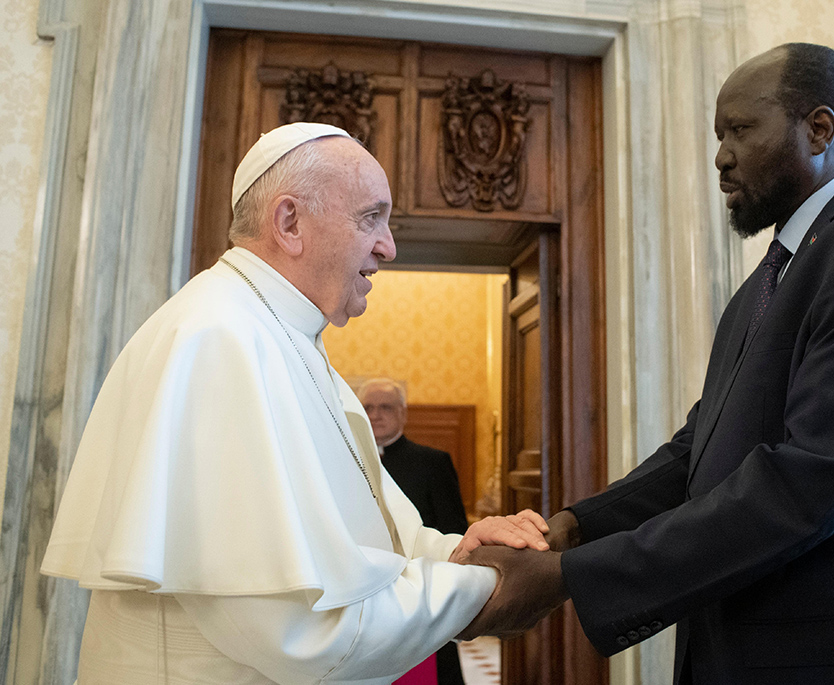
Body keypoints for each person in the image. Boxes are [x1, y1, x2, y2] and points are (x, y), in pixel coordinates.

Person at [459, 43, 834, 684]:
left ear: (819, 129)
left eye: (740, 130)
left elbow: (812, 479)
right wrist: (573, 529)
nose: (720, 156)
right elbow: (701, 449)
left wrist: (569, 578)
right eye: (719, 134)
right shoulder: (768, 281)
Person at [40, 122, 549, 684]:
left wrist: (455, 553)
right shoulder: (220, 339)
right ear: (289, 223)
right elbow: (299, 627)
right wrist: (490, 587)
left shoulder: (284, 335)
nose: (389, 245)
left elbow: (360, 535)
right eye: (370, 218)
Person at [359, 377, 471, 685]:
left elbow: (454, 530)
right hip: (366, 596)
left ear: (403, 414)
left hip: (424, 592)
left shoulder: (433, 463)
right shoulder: (348, 464)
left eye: (385, 407)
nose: (375, 414)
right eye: (367, 407)